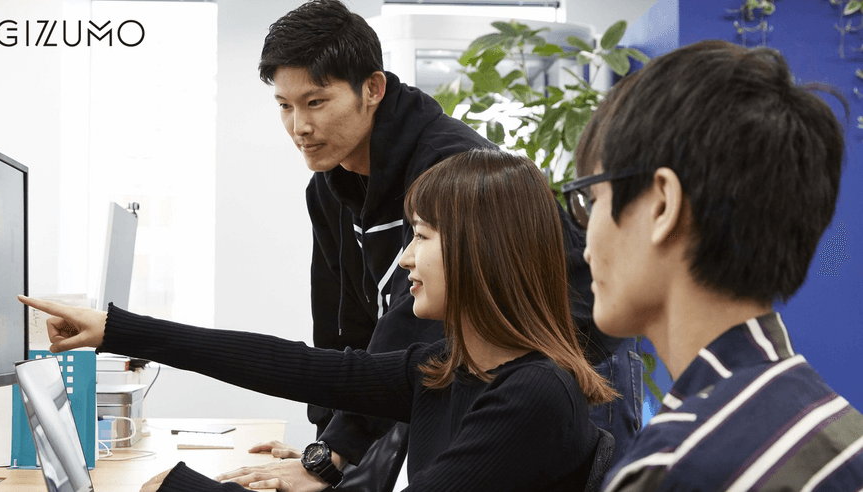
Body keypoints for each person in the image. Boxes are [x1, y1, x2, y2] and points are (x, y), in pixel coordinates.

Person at [21, 148, 617, 492]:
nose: (405, 258)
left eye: (422, 237)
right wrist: (116, 330)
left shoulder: (534, 393)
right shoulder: (450, 368)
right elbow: (293, 366)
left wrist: (182, 487)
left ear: (481, 252)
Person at [254, 0, 643, 484]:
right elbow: (343, 326)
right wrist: (322, 449)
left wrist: (333, 456)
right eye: (285, 106)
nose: (299, 127)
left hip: (577, 359)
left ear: (372, 89)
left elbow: (411, 325)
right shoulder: (330, 184)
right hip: (479, 361)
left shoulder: (445, 165)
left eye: (315, 102)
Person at [560, 39, 863, 491]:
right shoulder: (837, 422)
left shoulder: (671, 469)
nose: (585, 246)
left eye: (590, 200)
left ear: (662, 205)